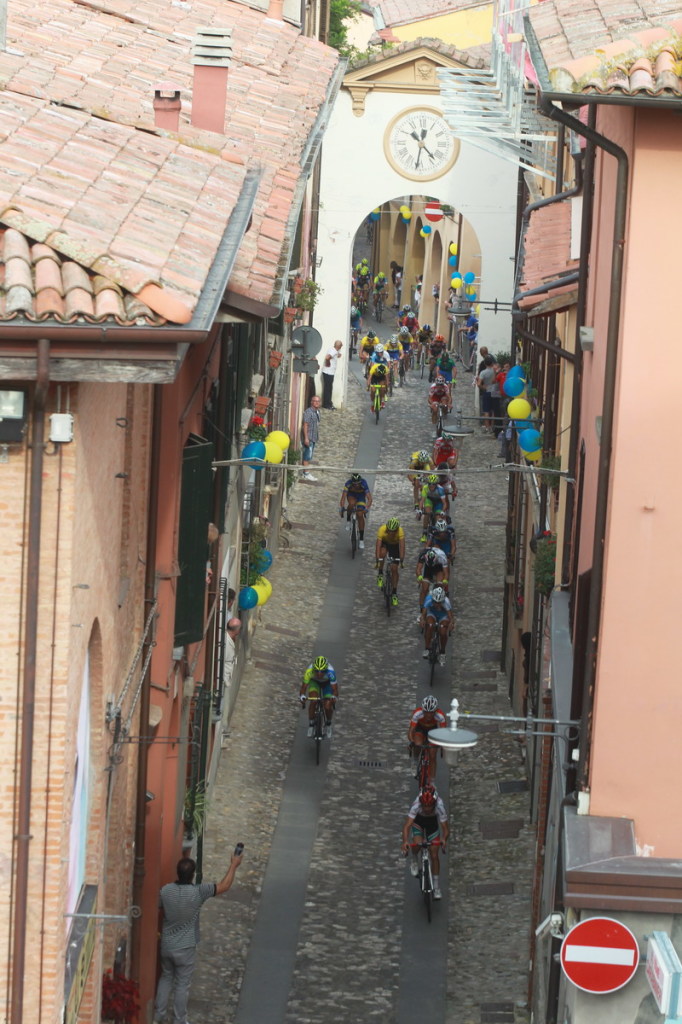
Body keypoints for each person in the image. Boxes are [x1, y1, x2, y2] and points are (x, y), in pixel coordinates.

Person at [153, 851, 243, 1024]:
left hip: (167, 945)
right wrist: (233, 865)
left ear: (177, 872)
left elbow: (157, 905)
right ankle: (179, 1020)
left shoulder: (165, 891)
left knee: (166, 977)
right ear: (193, 875)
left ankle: (158, 1015)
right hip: (186, 947)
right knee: (182, 984)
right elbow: (224, 886)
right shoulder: (198, 892)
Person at [401, 784, 449, 898]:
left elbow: (445, 829)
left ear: (434, 804)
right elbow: (407, 826)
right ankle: (414, 859)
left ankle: (436, 887)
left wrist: (444, 839)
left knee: (434, 855)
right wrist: (405, 841)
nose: (427, 809)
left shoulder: (440, 806)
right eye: (424, 806)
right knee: (417, 844)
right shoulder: (416, 805)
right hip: (419, 822)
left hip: (432, 824)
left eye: (430, 806)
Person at [408, 695, 448, 782]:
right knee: (417, 744)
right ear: (423, 710)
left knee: (433, 756)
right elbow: (411, 731)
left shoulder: (440, 716)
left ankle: (432, 782)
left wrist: (441, 745)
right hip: (420, 729)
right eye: (426, 712)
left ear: (435, 711)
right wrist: (411, 742)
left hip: (433, 731)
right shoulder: (417, 713)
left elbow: (443, 733)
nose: (429, 715)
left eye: (431, 712)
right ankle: (415, 761)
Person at [300, 655, 338, 737]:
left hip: (327, 684)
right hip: (315, 682)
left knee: (327, 706)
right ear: (314, 669)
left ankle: (328, 723)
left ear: (326, 670)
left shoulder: (331, 672)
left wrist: (334, 697)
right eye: (316, 671)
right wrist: (302, 696)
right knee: (313, 700)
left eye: (322, 671)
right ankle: (311, 723)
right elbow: (304, 687)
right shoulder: (309, 670)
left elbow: (335, 689)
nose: (319, 674)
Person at [420, 585, 454, 666]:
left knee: (443, 632)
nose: (437, 604)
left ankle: (442, 652)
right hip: (432, 614)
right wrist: (422, 620)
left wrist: (451, 624)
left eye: (439, 602)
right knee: (430, 625)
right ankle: (427, 648)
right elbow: (423, 614)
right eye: (435, 602)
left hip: (443, 616)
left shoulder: (446, 602)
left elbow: (451, 617)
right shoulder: (428, 599)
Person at [375, 516, 405, 606]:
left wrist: (401, 559)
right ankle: (380, 573)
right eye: (389, 531)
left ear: (396, 530)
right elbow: (378, 546)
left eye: (393, 531)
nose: (391, 533)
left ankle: (394, 593)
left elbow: (402, 546)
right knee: (382, 553)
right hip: (385, 543)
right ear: (387, 528)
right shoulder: (382, 529)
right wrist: (377, 558)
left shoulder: (400, 531)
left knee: (394, 569)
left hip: (394, 546)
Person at [340, 472, 372, 549]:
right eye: (355, 484)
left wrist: (366, 508)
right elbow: (343, 498)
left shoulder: (364, 483)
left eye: (358, 483)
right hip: (351, 495)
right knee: (351, 503)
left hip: (361, 496)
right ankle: (348, 520)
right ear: (352, 482)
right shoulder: (348, 484)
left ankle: (361, 539)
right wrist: (342, 507)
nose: (357, 485)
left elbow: (369, 499)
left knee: (360, 515)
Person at [415, 545, 449, 611]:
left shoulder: (442, 556)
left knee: (439, 586)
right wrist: (419, 577)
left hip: (438, 567)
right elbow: (418, 569)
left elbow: (446, 573)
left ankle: (440, 604)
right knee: (424, 589)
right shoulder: (423, 554)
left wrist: (444, 581)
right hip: (428, 569)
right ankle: (422, 607)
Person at [419, 474, 449, 543]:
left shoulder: (440, 489)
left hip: (438, 502)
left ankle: (437, 533)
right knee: (427, 513)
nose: (431, 486)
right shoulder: (425, 488)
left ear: (436, 484)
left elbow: (445, 503)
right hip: (429, 500)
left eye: (433, 484)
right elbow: (422, 500)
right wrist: (420, 510)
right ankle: (424, 533)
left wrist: (442, 511)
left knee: (438, 518)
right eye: (429, 484)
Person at [300, 393, 321, 481]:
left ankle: (306, 472)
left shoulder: (317, 412)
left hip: (314, 437)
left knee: (310, 455)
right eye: (314, 401)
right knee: (307, 456)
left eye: (318, 401)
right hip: (309, 437)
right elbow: (305, 425)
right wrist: (306, 438)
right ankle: (306, 473)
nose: (316, 403)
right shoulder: (309, 412)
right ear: (311, 402)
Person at [476, 354, 497, 434]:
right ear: (492, 363)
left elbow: (478, 384)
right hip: (494, 390)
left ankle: (487, 427)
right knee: (493, 409)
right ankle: (493, 426)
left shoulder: (483, 372)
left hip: (487, 391)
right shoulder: (494, 370)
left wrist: (483, 387)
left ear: (485, 364)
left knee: (486, 410)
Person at [322, 339, 343, 410]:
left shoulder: (333, 350)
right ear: (339, 346)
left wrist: (338, 354)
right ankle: (327, 404)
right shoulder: (333, 351)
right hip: (329, 372)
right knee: (328, 389)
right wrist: (328, 362)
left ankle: (327, 403)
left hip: (328, 372)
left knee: (328, 388)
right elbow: (327, 357)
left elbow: (333, 354)